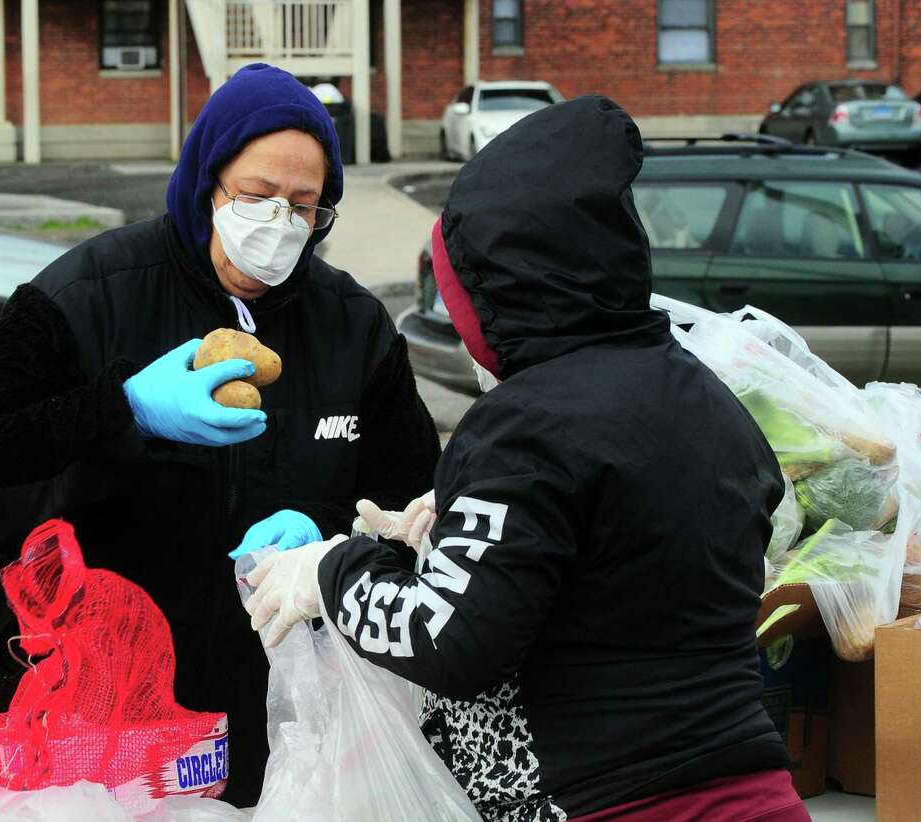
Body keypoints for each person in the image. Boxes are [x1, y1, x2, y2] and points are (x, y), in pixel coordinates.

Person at [243, 97, 811, 821]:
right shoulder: (702, 395)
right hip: (754, 788)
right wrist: (462, 544)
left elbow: (451, 643)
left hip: (609, 798)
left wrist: (334, 570)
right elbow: (633, 571)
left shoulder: (526, 423)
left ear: (497, 297)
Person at [0, 63, 440, 807]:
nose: (280, 225)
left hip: (271, 719)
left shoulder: (353, 328)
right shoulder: (87, 294)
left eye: (305, 206)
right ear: (206, 185)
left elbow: (411, 499)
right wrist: (119, 409)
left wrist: (331, 543)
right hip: (85, 714)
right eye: (258, 198)